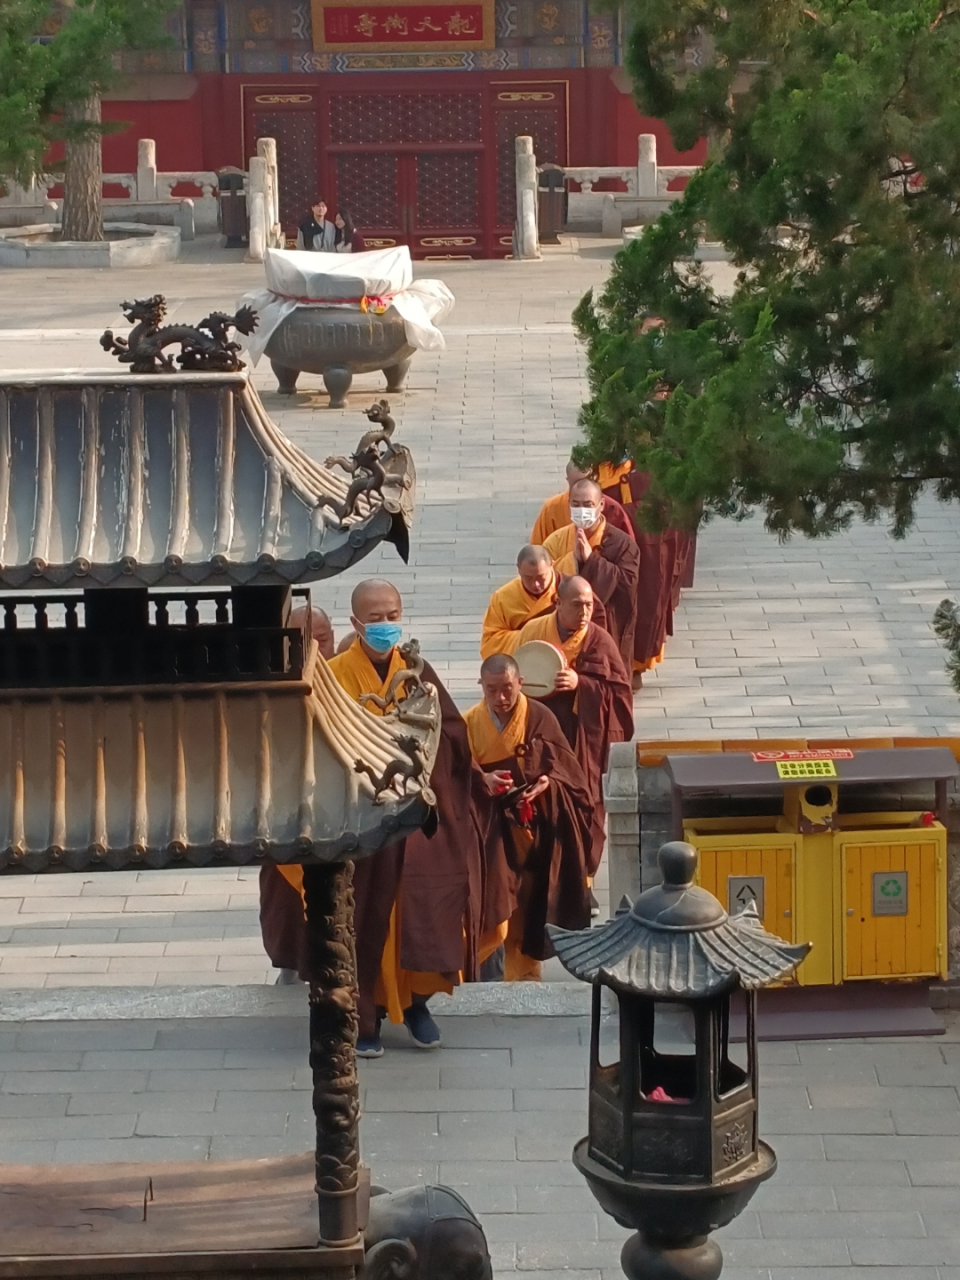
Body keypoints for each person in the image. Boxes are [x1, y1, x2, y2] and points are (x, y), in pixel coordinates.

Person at [328, 579, 492, 1057]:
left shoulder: (418, 673)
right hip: (363, 814)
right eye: (375, 618)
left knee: (423, 903)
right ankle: (366, 1012)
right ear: (356, 622)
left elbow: (453, 733)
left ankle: (417, 1001)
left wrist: (444, 773)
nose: (385, 625)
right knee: (362, 913)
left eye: (392, 614)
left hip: (416, 811)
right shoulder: (336, 675)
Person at [464, 654, 593, 982]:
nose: (501, 698)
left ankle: (525, 978)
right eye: (492, 690)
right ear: (481, 686)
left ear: (520, 683)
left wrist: (550, 782)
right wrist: (483, 781)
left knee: (531, 903)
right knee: (495, 904)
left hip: (536, 830)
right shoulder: (469, 724)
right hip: (491, 833)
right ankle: (483, 971)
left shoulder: (539, 716)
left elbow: (568, 769)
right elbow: (458, 773)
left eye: (507, 688)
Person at [514, 576, 634, 876]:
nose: (584, 612)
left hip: (583, 739)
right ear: (558, 603)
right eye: (577, 604)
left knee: (585, 806)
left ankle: (582, 879)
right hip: (542, 736)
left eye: (590, 605)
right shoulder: (533, 632)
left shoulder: (599, 640)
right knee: (543, 806)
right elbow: (514, 674)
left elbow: (620, 693)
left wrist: (582, 684)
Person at [259, 601, 336, 985]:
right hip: (288, 813)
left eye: (321, 638)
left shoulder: (346, 677)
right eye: (304, 640)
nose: (315, 648)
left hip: (340, 811)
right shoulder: (272, 683)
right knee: (287, 904)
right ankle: (290, 966)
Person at [540, 477, 641, 676]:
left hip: (609, 630)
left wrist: (591, 561)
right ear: (568, 504)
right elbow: (543, 584)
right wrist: (572, 560)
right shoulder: (556, 541)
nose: (581, 510)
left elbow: (628, 585)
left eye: (588, 505)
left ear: (601, 505)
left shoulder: (623, 544)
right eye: (576, 504)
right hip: (564, 630)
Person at [531, 459, 637, 546]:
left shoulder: (613, 508)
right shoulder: (552, 507)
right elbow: (538, 552)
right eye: (576, 484)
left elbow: (628, 551)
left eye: (588, 504)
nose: (580, 491)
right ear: (568, 480)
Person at [480, 545, 558, 660]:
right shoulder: (502, 597)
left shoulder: (568, 590)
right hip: (519, 664)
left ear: (552, 565)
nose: (535, 584)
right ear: (518, 569)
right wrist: (530, 635)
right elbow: (490, 643)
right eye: (528, 578)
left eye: (541, 577)